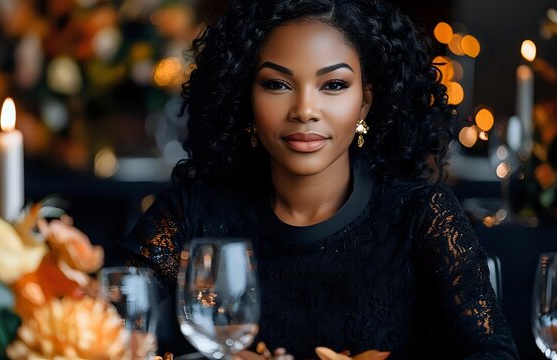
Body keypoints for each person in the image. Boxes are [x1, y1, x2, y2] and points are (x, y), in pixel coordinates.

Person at [120, 0, 520, 358]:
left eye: (333, 85)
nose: (305, 109)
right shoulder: (194, 211)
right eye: (277, 84)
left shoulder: (422, 216)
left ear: (365, 100)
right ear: (245, 96)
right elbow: (104, 329)